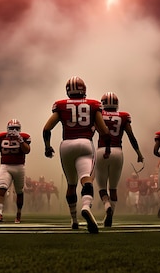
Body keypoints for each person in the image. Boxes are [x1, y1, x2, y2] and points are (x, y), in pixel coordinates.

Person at [42, 76, 111, 233]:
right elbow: (104, 131)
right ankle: (86, 206)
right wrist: (107, 148)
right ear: (83, 89)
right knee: (86, 179)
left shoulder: (60, 105)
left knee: (71, 184)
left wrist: (47, 147)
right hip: (85, 143)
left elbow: (46, 129)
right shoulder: (93, 105)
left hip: (66, 145)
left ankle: (73, 220)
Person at [95, 92, 144, 227]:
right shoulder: (123, 117)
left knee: (101, 187)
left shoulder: (99, 115)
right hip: (118, 151)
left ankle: (106, 206)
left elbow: (91, 131)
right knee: (114, 188)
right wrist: (139, 153)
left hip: (102, 151)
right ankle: (109, 216)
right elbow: (131, 136)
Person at [0, 118, 31, 223]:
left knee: (19, 192)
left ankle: (18, 213)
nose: (14, 131)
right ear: (7, 129)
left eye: (16, 129)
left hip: (19, 167)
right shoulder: (1, 137)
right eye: (12, 128)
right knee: (2, 188)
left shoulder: (25, 137)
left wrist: (20, 140)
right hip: (5, 166)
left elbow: (27, 151)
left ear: (20, 129)